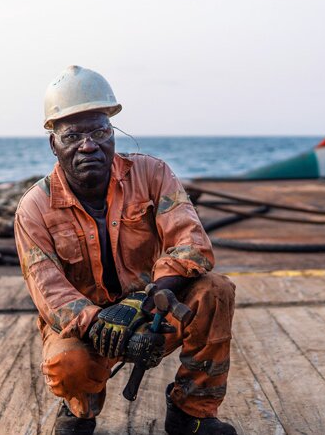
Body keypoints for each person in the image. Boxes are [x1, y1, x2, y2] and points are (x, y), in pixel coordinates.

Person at [15, 65, 237, 435]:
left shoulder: (152, 175)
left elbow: (192, 244)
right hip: (90, 330)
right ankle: (79, 411)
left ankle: (191, 413)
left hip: (155, 311)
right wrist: (104, 323)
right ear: (54, 144)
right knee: (67, 363)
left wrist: (149, 300)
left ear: (113, 133)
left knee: (215, 291)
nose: (89, 145)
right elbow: (49, 293)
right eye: (73, 135)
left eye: (100, 131)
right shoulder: (34, 208)